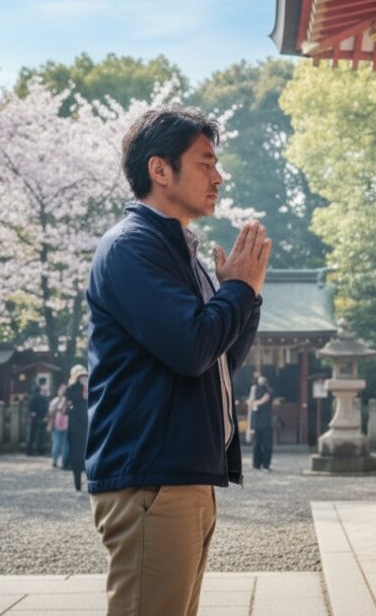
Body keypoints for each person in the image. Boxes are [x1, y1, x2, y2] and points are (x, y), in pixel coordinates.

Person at [85, 106, 270, 615]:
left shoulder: (177, 250)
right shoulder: (133, 247)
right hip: (151, 478)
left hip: (178, 476)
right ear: (159, 170)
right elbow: (192, 348)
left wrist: (245, 297)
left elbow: (217, 360)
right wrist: (236, 288)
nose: (219, 175)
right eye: (206, 162)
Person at [65, 370, 88, 492]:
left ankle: (89, 482)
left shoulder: (91, 386)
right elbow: (74, 398)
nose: (84, 378)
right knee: (76, 455)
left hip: (87, 425)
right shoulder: (72, 389)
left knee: (87, 454)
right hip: (75, 425)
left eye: (85, 376)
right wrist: (83, 388)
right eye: (82, 377)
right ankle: (77, 483)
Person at [249, 376, 273, 471]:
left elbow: (265, 398)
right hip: (260, 422)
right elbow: (251, 403)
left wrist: (256, 403)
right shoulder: (255, 390)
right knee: (259, 444)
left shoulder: (267, 390)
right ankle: (259, 464)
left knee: (263, 444)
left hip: (264, 422)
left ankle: (262, 464)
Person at [48, 382, 70, 469]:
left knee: (66, 446)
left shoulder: (69, 401)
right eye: (62, 389)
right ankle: (54, 461)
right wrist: (59, 401)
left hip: (67, 425)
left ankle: (64, 463)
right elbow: (50, 411)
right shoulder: (55, 400)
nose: (63, 391)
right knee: (56, 444)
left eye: (65, 390)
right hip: (56, 425)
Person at [26, 386, 48, 456]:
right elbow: (45, 408)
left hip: (33, 418)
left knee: (31, 435)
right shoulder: (43, 398)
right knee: (40, 435)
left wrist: (32, 412)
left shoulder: (32, 397)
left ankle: (29, 450)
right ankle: (40, 450)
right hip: (41, 417)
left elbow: (29, 407)